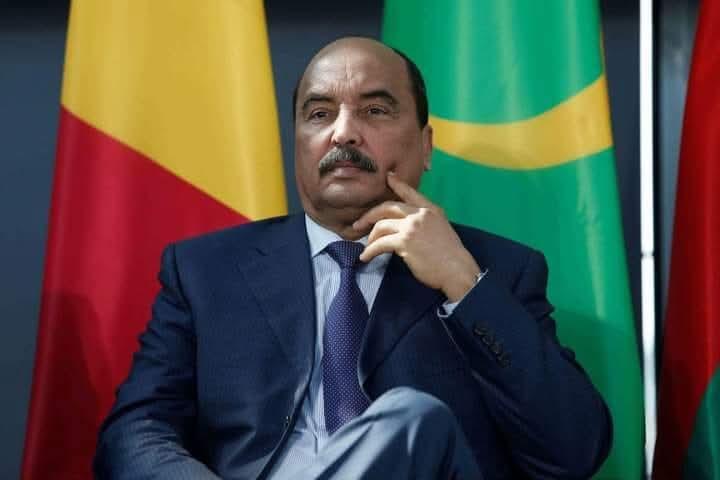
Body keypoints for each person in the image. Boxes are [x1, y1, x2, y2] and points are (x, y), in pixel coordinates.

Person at [94, 37, 612, 479]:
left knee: (412, 420)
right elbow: (135, 433)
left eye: (375, 110)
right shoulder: (207, 272)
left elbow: (574, 452)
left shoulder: (495, 270)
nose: (343, 132)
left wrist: (462, 281)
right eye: (319, 114)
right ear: (297, 144)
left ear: (426, 146)